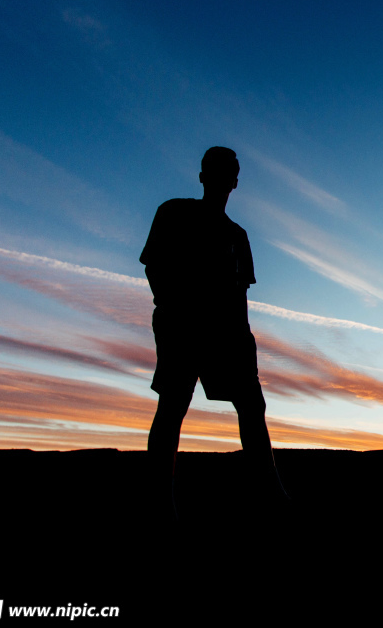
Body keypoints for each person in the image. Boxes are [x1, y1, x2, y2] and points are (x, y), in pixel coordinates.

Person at [141, 146, 286, 522]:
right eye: (215, 171)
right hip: (182, 329)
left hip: (228, 336)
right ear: (203, 175)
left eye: (229, 173)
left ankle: (272, 497)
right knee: (172, 406)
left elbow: (240, 296)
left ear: (235, 182)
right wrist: (174, 310)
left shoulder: (237, 236)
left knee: (252, 409)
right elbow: (154, 266)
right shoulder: (173, 213)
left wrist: (245, 343)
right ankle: (160, 505)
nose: (222, 179)